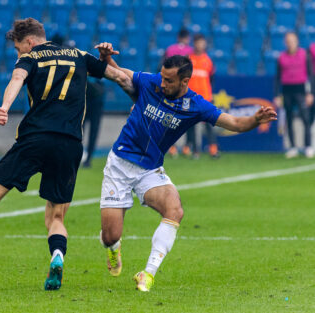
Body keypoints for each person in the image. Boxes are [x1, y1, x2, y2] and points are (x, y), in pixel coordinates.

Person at [0, 18, 129, 291]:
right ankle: (57, 256)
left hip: (34, 138)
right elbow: (121, 77)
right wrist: (107, 61)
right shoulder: (80, 56)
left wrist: (5, 106)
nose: (19, 54)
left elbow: (17, 79)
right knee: (56, 217)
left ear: (29, 42)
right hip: (70, 144)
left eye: (19, 49)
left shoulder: (30, 58)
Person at [95, 42, 277, 292]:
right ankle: (114, 249)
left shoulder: (196, 105)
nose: (163, 83)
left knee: (175, 209)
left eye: (169, 80)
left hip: (149, 170)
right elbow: (117, 74)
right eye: (162, 76)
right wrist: (104, 58)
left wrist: (255, 120)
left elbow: (233, 121)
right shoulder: (149, 82)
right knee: (110, 235)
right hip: (120, 166)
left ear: (184, 81)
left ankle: (147, 274)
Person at [274, 32, 314, 159]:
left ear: (297, 41)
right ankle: (292, 147)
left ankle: (308, 146)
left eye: (293, 40)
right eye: (288, 41)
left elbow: (310, 75)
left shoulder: (304, 55)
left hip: (301, 89)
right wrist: (276, 95)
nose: (291, 43)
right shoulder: (281, 57)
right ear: (285, 43)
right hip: (287, 90)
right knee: (289, 118)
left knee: (305, 118)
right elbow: (277, 78)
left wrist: (310, 93)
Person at [185, 34, 219, 158]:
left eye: (202, 43)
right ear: (194, 44)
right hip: (191, 97)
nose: (200, 45)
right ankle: (195, 150)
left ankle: (213, 149)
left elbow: (212, 79)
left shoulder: (208, 60)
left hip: (205, 97)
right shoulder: (188, 59)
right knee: (192, 124)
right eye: (198, 42)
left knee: (210, 123)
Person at [163, 28, 193, 157]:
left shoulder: (170, 49)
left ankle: (171, 146)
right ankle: (187, 147)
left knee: (170, 117)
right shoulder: (190, 51)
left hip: (170, 90)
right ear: (187, 38)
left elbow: (163, 66)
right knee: (187, 117)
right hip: (184, 92)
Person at [83, 78, 105, 168]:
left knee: (94, 132)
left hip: (96, 102)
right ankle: (76, 155)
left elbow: (100, 88)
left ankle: (88, 159)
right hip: (84, 100)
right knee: (79, 130)